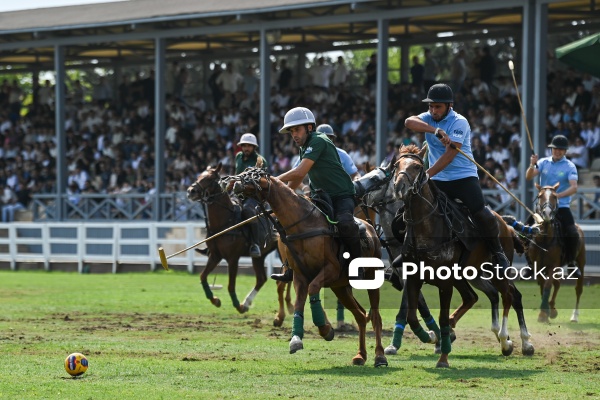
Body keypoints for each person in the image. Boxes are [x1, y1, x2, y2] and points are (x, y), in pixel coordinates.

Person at [402, 83, 511, 271]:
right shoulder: (429, 118)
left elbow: (449, 156)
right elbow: (408, 122)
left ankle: (498, 252)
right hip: (438, 179)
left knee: (480, 212)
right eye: (431, 106)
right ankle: (406, 251)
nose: (433, 110)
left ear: (449, 106)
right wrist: (434, 130)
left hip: (463, 177)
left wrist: (426, 175)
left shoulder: (460, 122)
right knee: (414, 209)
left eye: (438, 107)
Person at [270, 107, 360, 282]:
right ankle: (290, 267)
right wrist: (285, 200)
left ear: (310, 127)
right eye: (291, 131)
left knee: (346, 224)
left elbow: (299, 171)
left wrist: (273, 180)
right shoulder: (304, 147)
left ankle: (357, 266)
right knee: (291, 221)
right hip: (321, 197)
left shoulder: (318, 140)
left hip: (342, 196)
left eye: (297, 129)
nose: (294, 135)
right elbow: (297, 179)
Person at [526, 135, 581, 277]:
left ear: (565, 151)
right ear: (551, 149)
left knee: (573, 233)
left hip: (561, 207)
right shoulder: (543, 162)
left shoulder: (570, 166)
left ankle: (571, 263)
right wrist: (532, 164)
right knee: (525, 230)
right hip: (541, 208)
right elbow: (528, 177)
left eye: (561, 149)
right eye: (555, 149)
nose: (558, 151)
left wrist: (558, 196)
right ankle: (530, 264)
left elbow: (574, 187)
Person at [234, 133, 269, 258]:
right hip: (239, 194)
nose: (246, 148)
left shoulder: (260, 161)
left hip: (254, 196)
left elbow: (263, 182)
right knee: (227, 207)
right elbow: (236, 175)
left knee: (248, 211)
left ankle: (255, 244)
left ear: (254, 147)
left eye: (249, 146)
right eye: (244, 145)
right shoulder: (238, 157)